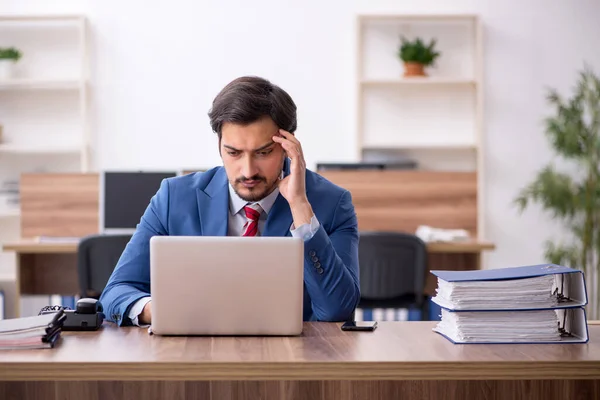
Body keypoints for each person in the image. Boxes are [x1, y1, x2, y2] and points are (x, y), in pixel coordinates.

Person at [99, 76, 360, 326]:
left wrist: (300, 207)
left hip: (289, 361)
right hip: (196, 358)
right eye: (233, 153)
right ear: (219, 145)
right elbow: (116, 292)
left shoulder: (333, 204)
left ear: (288, 146)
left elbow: (337, 309)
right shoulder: (174, 198)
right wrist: (158, 311)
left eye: (264, 152)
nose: (248, 171)